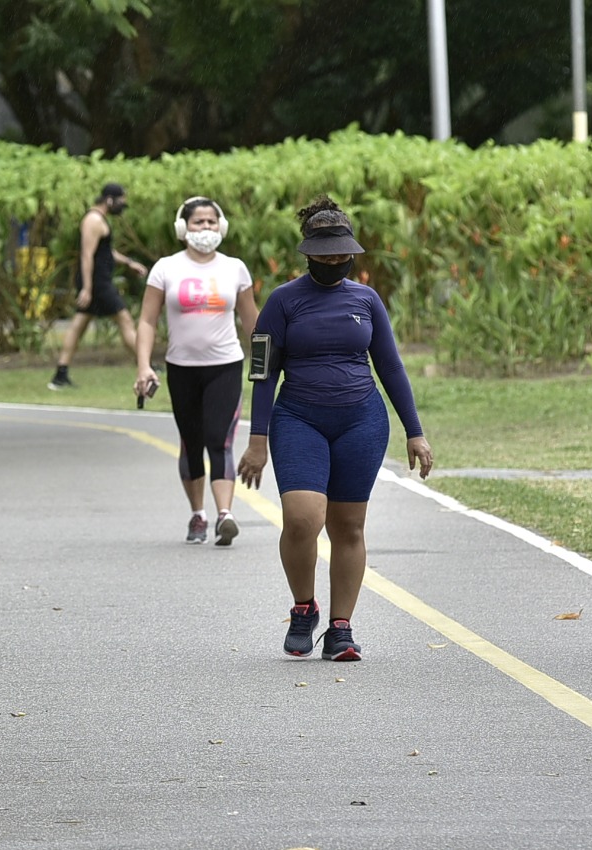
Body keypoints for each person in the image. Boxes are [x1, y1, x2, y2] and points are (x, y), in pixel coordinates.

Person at [237, 196, 434, 661]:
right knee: (303, 519)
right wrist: (257, 439)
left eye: (341, 255)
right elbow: (264, 372)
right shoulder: (282, 302)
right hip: (299, 418)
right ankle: (303, 607)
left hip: (361, 420)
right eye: (323, 256)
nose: (333, 263)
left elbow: (391, 367)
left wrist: (415, 430)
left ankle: (341, 629)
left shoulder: (366, 300)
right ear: (307, 253)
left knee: (348, 527)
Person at [134, 197, 260, 545]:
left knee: (219, 439)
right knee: (191, 442)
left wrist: (267, 364)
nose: (204, 228)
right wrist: (144, 365)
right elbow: (147, 320)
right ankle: (198, 514)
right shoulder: (165, 268)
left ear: (221, 226)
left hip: (225, 366)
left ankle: (225, 515)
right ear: (182, 228)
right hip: (182, 368)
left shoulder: (235, 268)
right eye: (197, 222)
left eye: (210, 222)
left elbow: (252, 323)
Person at [48, 183, 148, 390]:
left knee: (79, 325)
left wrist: (129, 263)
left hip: (97, 282)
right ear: (109, 199)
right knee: (125, 320)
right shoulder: (93, 220)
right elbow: (86, 255)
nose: (122, 207)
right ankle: (145, 364)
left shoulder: (99, 220)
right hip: (97, 283)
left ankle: (60, 374)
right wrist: (87, 287)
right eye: (121, 202)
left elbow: (105, 252)